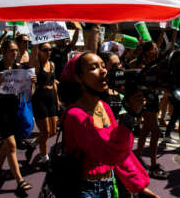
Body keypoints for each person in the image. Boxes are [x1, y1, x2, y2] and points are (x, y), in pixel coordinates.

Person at [60, 52, 159, 197]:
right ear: (78, 78)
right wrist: (131, 115)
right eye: (94, 67)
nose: (104, 70)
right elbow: (110, 155)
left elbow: (122, 153)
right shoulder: (75, 115)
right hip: (85, 190)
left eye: (103, 66)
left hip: (110, 185)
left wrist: (139, 187)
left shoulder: (104, 107)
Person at [0, 40, 34, 196]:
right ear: (4, 52)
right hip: (1, 111)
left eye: (16, 50)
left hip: (15, 110)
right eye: (12, 50)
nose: (15, 53)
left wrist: (31, 83)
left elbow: (27, 94)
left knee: (7, 144)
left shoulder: (20, 69)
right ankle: (20, 181)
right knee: (11, 145)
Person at [134, 41, 169, 179]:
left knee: (146, 129)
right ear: (148, 51)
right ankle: (153, 166)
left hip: (153, 99)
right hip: (145, 100)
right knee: (155, 132)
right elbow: (145, 84)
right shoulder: (141, 65)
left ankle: (137, 157)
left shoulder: (154, 62)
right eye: (155, 48)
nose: (157, 49)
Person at [26, 42, 60, 165]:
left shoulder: (52, 64)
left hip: (51, 98)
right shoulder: (36, 64)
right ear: (39, 51)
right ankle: (45, 158)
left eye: (50, 49)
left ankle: (33, 143)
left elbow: (53, 83)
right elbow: (32, 56)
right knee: (45, 131)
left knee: (53, 131)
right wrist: (35, 41)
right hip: (39, 98)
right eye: (45, 49)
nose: (48, 52)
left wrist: (57, 100)